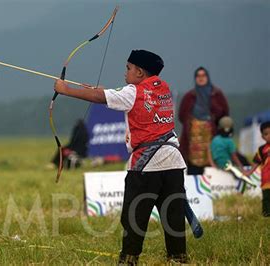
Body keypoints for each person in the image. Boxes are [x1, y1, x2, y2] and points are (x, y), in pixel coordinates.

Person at [54, 50, 187, 264]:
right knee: (174, 215)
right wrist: (102, 91)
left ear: (140, 72)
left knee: (134, 217)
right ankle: (178, 258)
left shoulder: (133, 91)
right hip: (174, 163)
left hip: (146, 166)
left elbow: (103, 97)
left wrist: (65, 89)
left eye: (128, 68)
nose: (125, 72)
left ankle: (129, 259)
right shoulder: (163, 88)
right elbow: (114, 94)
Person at [178, 67, 229, 174]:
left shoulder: (216, 94)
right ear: (195, 78)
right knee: (193, 165)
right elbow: (181, 116)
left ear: (207, 77)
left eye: (203, 75)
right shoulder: (190, 96)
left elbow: (225, 114)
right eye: (198, 76)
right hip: (193, 137)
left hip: (212, 134)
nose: (201, 78)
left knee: (214, 158)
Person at [244, 121, 270, 217]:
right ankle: (266, 216)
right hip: (266, 180)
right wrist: (249, 172)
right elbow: (256, 162)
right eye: (266, 134)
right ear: (262, 136)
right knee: (267, 199)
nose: (269, 136)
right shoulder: (261, 149)